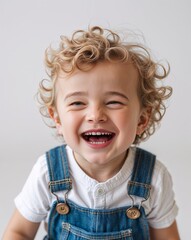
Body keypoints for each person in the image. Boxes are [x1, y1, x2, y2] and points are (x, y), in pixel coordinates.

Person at [3, 26, 180, 240]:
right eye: (78, 103)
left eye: (114, 102)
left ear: (142, 119)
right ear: (57, 118)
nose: (95, 115)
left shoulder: (153, 178)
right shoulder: (48, 173)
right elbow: (18, 232)